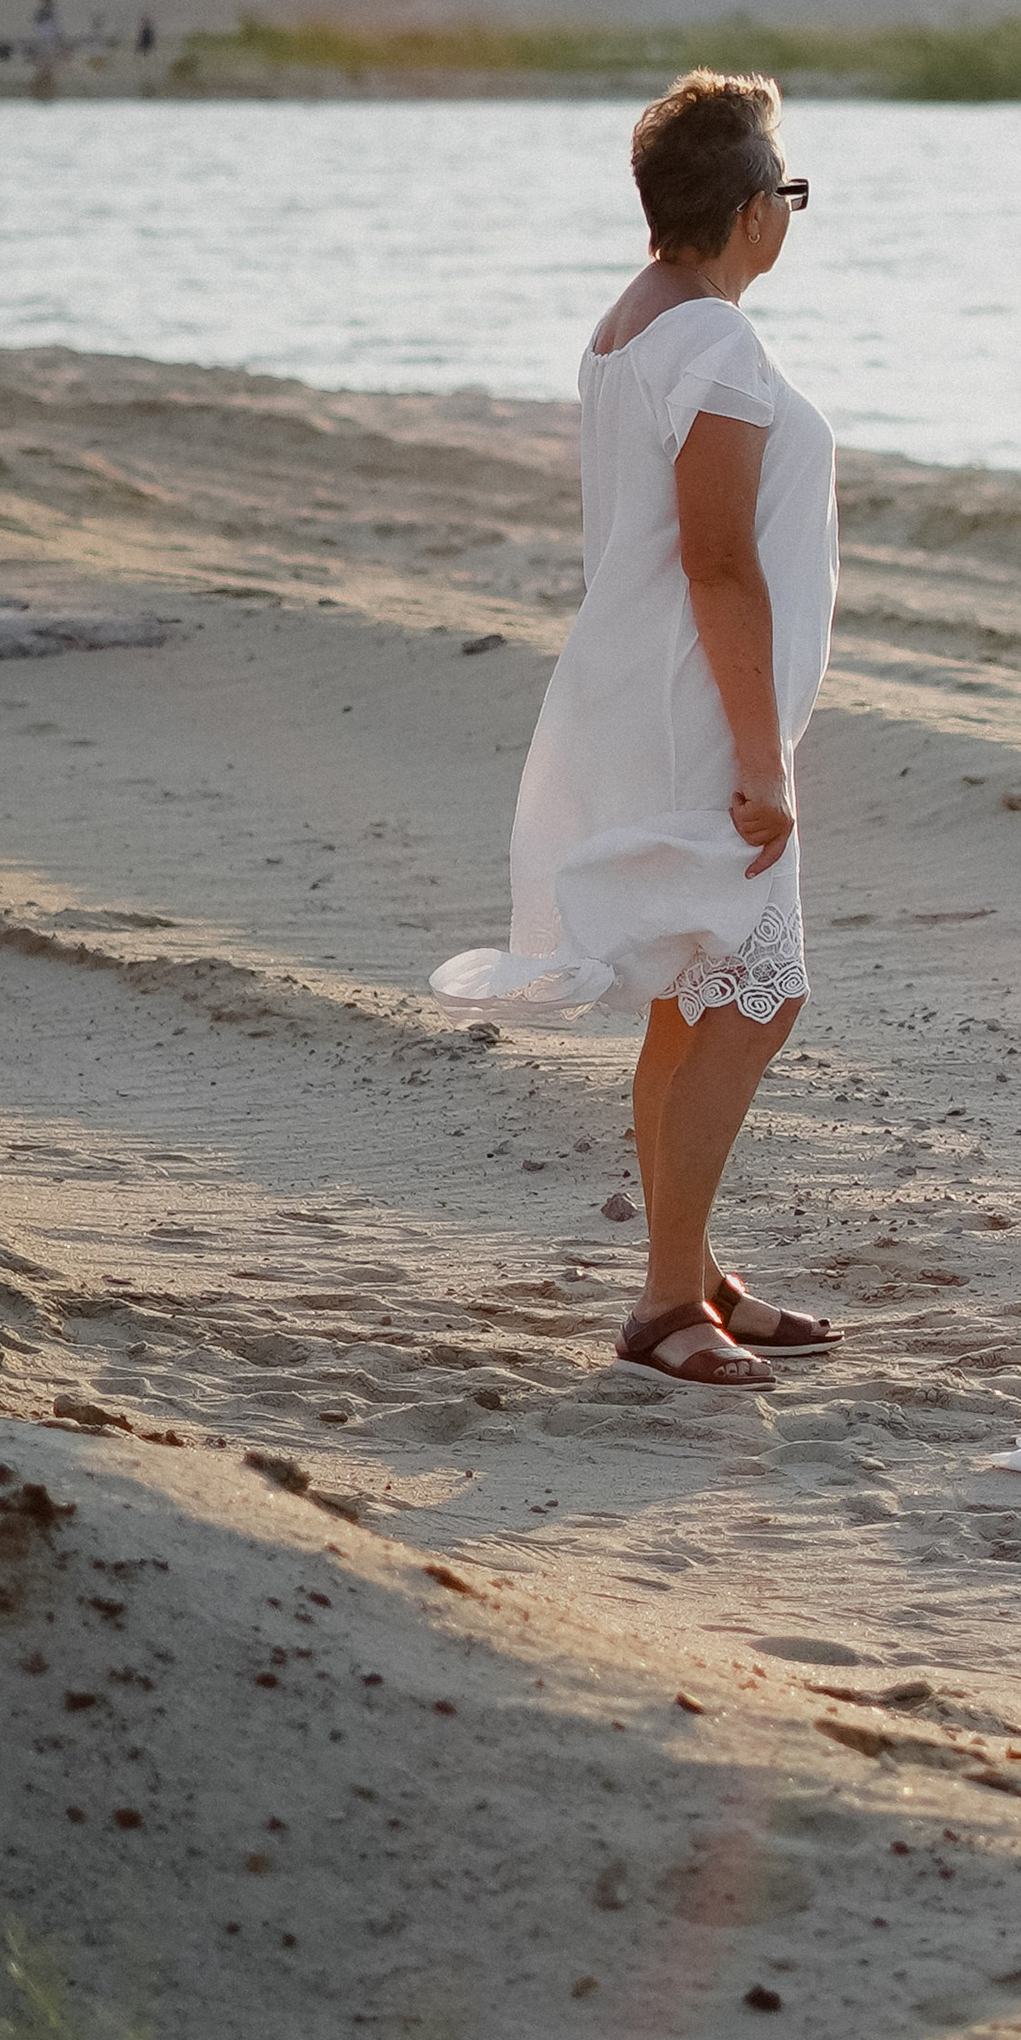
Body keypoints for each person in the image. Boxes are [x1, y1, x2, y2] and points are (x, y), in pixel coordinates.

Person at [431, 70, 836, 1389]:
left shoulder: (631, 323)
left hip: (651, 693)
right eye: (789, 190)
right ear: (748, 207)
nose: (790, 213)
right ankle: (667, 1298)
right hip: (696, 710)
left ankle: (693, 1269)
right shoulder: (713, 344)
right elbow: (718, 564)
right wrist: (763, 759)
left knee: (692, 989)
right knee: (758, 997)